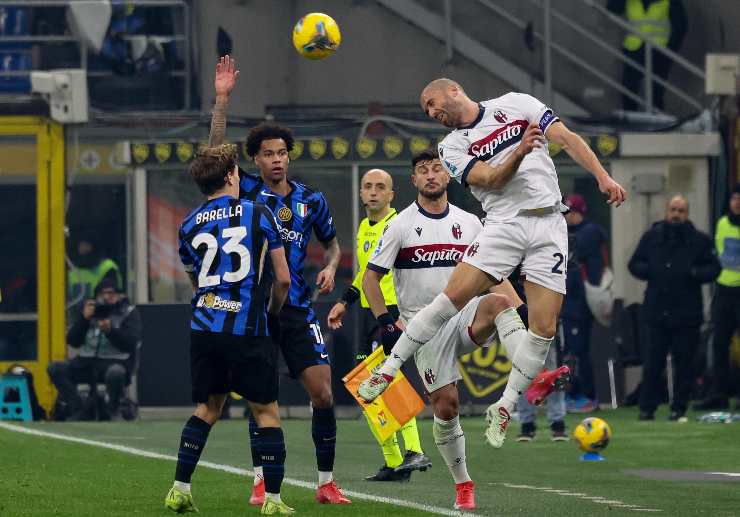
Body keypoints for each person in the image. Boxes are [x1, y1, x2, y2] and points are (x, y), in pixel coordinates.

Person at [359, 78, 626, 449]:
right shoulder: (450, 146)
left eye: (432, 103)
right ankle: (387, 371)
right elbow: (491, 179)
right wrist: (519, 151)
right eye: (426, 112)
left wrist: (602, 176)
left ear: (454, 90)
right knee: (451, 297)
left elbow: (566, 138)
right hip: (504, 226)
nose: (432, 113)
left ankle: (504, 406)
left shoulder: (516, 103)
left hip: (550, 224)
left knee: (544, 328)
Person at [208, 55, 350, 505]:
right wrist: (222, 99)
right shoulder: (246, 190)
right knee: (261, 395)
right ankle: (259, 478)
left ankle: (326, 482)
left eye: (281, 153)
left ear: (289, 157)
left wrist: (329, 265)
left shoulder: (312, 199)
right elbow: (213, 154)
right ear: (254, 160)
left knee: (324, 393)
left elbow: (332, 245)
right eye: (267, 154)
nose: (276, 160)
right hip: (253, 308)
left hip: (296, 308)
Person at [363, 148, 529, 510]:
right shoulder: (400, 225)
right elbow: (371, 280)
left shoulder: (471, 222)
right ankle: (463, 483)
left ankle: (531, 373)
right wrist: (385, 321)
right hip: (426, 328)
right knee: (447, 406)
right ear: (414, 180)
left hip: (465, 315)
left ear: (449, 176)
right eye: (423, 171)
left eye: (437, 169)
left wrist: (521, 309)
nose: (431, 175)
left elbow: (494, 274)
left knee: (501, 304)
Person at [164, 145, 293, 515]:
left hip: (204, 325)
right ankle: (272, 500)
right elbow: (282, 279)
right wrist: (271, 312)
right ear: (232, 176)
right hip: (247, 327)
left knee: (207, 407)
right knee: (266, 412)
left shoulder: (188, 224)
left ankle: (180, 488)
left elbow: (194, 280)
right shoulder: (258, 212)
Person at [326, 168, 431, 482]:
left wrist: (403, 314)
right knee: (365, 388)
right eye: (368, 186)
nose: (373, 192)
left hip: (391, 315)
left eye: (380, 187)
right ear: (361, 193)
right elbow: (366, 273)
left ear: (391, 194)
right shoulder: (363, 227)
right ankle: (394, 461)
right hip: (367, 316)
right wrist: (345, 301)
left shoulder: (400, 225)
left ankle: (413, 450)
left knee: (390, 382)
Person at [628, 195, 720, 420]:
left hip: (687, 313)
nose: (676, 214)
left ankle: (679, 408)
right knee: (652, 364)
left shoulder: (700, 240)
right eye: (673, 209)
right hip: (656, 311)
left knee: (685, 365)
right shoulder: (652, 237)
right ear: (666, 211)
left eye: (680, 210)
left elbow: (714, 268)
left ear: (687, 214)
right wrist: (651, 271)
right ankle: (646, 408)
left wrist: (694, 274)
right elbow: (634, 264)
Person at [48, 278, 141, 420]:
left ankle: (112, 410)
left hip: (115, 362)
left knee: (115, 373)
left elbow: (131, 343)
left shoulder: (128, 312)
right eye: (102, 293)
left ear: (118, 295)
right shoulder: (89, 310)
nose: (106, 297)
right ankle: (78, 407)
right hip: (86, 362)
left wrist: (111, 331)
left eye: (111, 293)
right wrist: (84, 320)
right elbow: (73, 341)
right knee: (55, 368)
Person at [562, 194, 608, 413]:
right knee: (571, 351)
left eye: (569, 212)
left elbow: (589, 271)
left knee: (578, 352)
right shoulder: (570, 233)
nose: (565, 217)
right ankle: (574, 394)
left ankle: (585, 395)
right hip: (567, 303)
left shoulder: (589, 233)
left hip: (579, 304)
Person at [695, 184, 740, 410]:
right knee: (719, 343)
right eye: (734, 197)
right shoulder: (722, 223)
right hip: (723, 290)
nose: (737, 202)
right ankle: (718, 393)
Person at [607, 0, 688, 112]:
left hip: (659, 52)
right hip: (634, 49)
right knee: (629, 88)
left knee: (656, 91)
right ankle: (631, 121)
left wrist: (670, 51)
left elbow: (680, 27)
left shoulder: (669, 2)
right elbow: (612, 8)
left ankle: (657, 122)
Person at [67, 234, 123, 305]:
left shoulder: (107, 267)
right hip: (75, 313)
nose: (83, 249)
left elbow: (111, 297)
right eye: (81, 245)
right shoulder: (71, 269)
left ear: (95, 247)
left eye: (86, 245)